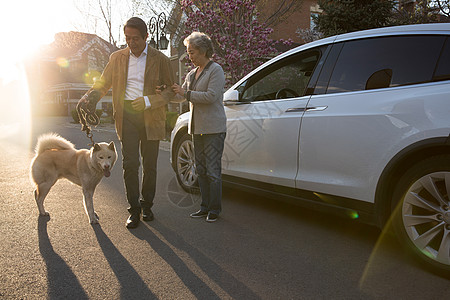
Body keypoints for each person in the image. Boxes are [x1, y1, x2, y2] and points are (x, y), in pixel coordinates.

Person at [82, 17, 174, 228]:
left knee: (150, 165)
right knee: (130, 164)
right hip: (126, 115)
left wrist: (150, 101)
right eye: (127, 38)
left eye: (135, 39)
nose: (131, 43)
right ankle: (134, 209)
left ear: (146, 37)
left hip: (151, 115)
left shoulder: (160, 59)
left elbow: (171, 91)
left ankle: (147, 205)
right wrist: (92, 97)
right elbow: (103, 82)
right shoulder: (117, 58)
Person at [171, 32, 226, 222]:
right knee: (200, 170)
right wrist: (168, 93)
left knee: (212, 170)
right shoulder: (191, 74)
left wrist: (185, 93)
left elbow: (210, 97)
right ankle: (204, 207)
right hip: (197, 129)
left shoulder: (216, 70)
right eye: (188, 52)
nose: (189, 56)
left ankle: (214, 209)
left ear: (203, 50)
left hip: (213, 128)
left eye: (192, 52)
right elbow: (181, 96)